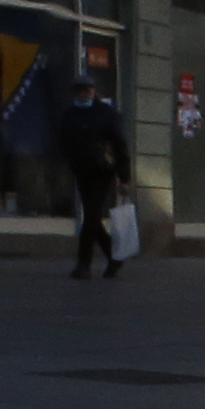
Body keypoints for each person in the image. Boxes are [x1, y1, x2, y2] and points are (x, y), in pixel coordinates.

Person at [63, 78, 136, 281]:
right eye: (79, 89)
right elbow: (63, 141)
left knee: (91, 216)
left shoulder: (107, 114)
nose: (83, 92)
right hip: (81, 171)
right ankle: (114, 257)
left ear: (94, 91)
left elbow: (121, 147)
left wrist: (124, 178)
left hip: (102, 171)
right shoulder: (70, 114)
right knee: (92, 217)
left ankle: (83, 264)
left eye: (87, 89)